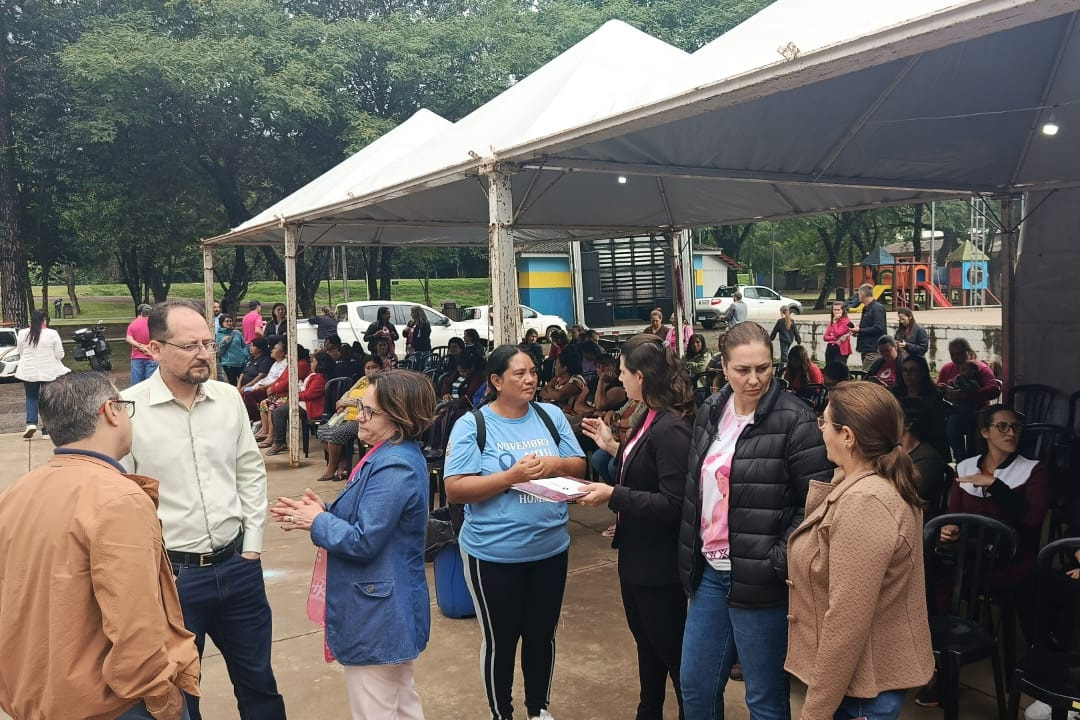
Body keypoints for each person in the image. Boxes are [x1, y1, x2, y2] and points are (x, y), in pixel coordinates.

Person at [0, 372, 200, 720]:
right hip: (108, 704)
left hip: (35, 694)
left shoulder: (18, 492)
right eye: (126, 407)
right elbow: (136, 624)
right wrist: (162, 698)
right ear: (111, 411)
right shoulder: (118, 499)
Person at [121, 299, 285, 720]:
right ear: (155, 349)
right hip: (173, 581)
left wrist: (252, 546)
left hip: (238, 569)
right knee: (177, 696)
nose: (204, 354)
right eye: (190, 345)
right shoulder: (127, 409)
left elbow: (249, 471)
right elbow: (121, 500)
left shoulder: (228, 398)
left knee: (260, 686)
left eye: (208, 344)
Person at [677, 320, 832, 720]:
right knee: (695, 686)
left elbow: (815, 504)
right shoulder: (711, 410)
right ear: (723, 367)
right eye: (742, 370)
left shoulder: (796, 421)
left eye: (763, 368)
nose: (753, 379)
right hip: (711, 573)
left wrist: (775, 560)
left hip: (761, 579)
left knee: (763, 698)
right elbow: (696, 486)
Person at [271, 370, 436, 719]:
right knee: (399, 702)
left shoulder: (395, 465)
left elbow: (364, 540)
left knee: (376, 708)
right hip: (383, 608)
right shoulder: (387, 455)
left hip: (378, 612)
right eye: (360, 406)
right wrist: (322, 512)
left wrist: (318, 520)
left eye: (370, 412)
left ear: (400, 417)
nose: (359, 416)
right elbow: (369, 516)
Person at [444, 345, 587, 720]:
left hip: (550, 549)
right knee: (501, 641)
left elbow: (579, 466)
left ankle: (538, 710)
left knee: (542, 637)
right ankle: (501, 713)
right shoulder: (473, 425)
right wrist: (512, 477)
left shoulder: (550, 415)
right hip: (493, 555)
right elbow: (456, 488)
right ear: (495, 381)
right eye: (518, 374)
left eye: (532, 372)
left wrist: (555, 464)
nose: (529, 380)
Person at [785, 381, 934, 720]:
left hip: (861, 693)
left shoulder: (866, 502)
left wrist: (815, 712)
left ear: (848, 436)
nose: (821, 430)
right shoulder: (867, 484)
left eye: (825, 422)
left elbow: (846, 623)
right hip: (860, 686)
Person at [578, 342, 694, 720]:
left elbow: (674, 503)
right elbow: (644, 473)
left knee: (671, 652)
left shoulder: (670, 429)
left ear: (640, 377)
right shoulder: (648, 419)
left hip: (658, 567)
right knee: (647, 645)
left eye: (624, 373)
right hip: (637, 559)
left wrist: (615, 495)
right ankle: (649, 710)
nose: (620, 380)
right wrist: (613, 449)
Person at [920, 405, 1051, 708]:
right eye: (1003, 427)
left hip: (1012, 560)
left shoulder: (1033, 469)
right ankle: (941, 664)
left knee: (963, 583)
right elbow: (955, 515)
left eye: (1016, 427)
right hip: (969, 557)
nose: (1011, 433)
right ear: (985, 432)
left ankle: (970, 651)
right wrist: (949, 529)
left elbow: (1031, 520)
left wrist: (995, 485)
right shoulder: (966, 467)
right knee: (929, 580)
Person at [317, 357, 384, 482]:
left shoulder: (381, 384)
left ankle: (331, 468)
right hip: (344, 414)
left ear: (381, 368)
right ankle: (342, 461)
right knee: (322, 431)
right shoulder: (363, 380)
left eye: (374, 367)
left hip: (361, 418)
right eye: (367, 368)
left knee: (336, 434)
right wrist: (342, 403)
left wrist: (345, 402)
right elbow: (348, 393)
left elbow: (366, 402)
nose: (370, 371)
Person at [936, 337, 1000, 461]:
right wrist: (942, 389)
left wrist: (967, 395)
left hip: (978, 410)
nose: (955, 358)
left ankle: (971, 460)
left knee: (964, 424)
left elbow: (994, 389)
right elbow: (939, 387)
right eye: (952, 355)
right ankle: (958, 460)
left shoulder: (980, 368)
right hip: (953, 409)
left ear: (968, 352)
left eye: (959, 354)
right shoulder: (947, 368)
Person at [15, 309, 70, 438]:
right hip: (49, 371)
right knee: (48, 399)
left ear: (31, 320)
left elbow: (20, 351)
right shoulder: (52, 333)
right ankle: (48, 429)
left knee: (31, 397)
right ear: (45, 320)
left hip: (29, 371)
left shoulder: (23, 333)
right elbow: (59, 354)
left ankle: (31, 423)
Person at [267, 350, 330, 456]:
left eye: (313, 362)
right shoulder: (313, 375)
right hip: (301, 402)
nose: (311, 364)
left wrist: (294, 396)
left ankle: (279, 442)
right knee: (273, 408)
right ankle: (274, 438)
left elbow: (309, 394)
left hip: (309, 406)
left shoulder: (320, 377)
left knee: (278, 412)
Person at [899, 397, 949, 517]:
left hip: (916, 523)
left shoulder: (929, 459)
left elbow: (903, 495)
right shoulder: (889, 452)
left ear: (909, 424)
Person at [892, 354, 948, 456]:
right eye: (905, 370)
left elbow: (936, 429)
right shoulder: (894, 393)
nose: (908, 374)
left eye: (913, 370)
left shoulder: (935, 397)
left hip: (926, 444)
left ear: (922, 373)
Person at [244, 339, 288, 422]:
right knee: (245, 394)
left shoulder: (285, 363)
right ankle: (257, 423)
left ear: (282, 353)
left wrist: (263, 386)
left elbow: (278, 380)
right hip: (263, 385)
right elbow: (267, 377)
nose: (272, 350)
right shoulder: (275, 363)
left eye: (275, 349)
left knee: (250, 396)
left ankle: (258, 420)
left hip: (274, 390)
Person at [851, 284, 886, 371]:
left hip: (873, 349)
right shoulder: (866, 308)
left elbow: (879, 328)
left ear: (863, 294)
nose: (858, 296)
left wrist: (860, 330)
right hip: (865, 348)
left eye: (858, 294)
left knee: (866, 375)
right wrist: (858, 331)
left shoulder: (877, 308)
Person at [127, 303, 159, 385]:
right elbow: (158, 338)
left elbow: (129, 339)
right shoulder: (154, 325)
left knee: (136, 384)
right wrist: (147, 347)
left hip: (137, 357)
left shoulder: (133, 324)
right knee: (150, 383)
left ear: (139, 312)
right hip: (152, 356)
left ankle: (137, 398)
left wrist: (140, 346)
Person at [216, 312, 249, 385]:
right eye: (227, 321)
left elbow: (244, 345)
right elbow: (219, 352)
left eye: (230, 321)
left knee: (244, 383)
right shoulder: (218, 335)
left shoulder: (237, 333)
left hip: (241, 362)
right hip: (228, 364)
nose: (229, 323)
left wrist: (245, 355)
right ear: (222, 323)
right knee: (233, 384)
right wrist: (224, 342)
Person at [822, 302, 853, 366]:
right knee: (829, 367)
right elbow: (825, 337)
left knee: (839, 367)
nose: (836, 312)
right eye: (834, 310)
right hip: (831, 347)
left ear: (842, 310)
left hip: (841, 349)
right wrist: (834, 338)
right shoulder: (832, 321)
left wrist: (835, 323)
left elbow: (838, 333)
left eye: (838, 310)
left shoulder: (846, 321)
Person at [406, 305, 432, 371]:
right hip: (412, 349)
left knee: (420, 367)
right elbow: (406, 335)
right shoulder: (411, 322)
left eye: (413, 312)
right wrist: (406, 330)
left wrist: (413, 345)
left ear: (417, 313)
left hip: (422, 349)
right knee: (411, 366)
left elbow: (423, 338)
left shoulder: (424, 324)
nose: (411, 314)